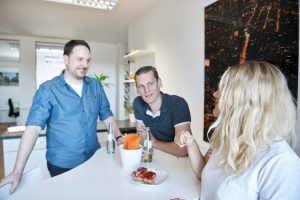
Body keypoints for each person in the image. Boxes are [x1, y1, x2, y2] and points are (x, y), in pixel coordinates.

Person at [0, 40, 123, 193]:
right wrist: (17, 171)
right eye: (79, 59)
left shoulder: (95, 86)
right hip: (62, 165)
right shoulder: (48, 90)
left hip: (94, 158)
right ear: (66, 59)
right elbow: (33, 129)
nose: (85, 64)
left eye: (88, 60)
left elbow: (106, 115)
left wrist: (119, 138)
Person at [175, 61, 300, 199]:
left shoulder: (281, 163)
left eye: (225, 88)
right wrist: (191, 143)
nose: (215, 94)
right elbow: (204, 173)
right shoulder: (227, 137)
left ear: (248, 100)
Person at [133, 66, 191, 157]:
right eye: (141, 86)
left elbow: (183, 149)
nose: (146, 90)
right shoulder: (138, 103)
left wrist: (154, 142)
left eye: (150, 84)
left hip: (180, 161)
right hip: (156, 157)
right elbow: (142, 137)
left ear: (159, 83)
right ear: (137, 89)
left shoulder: (178, 104)